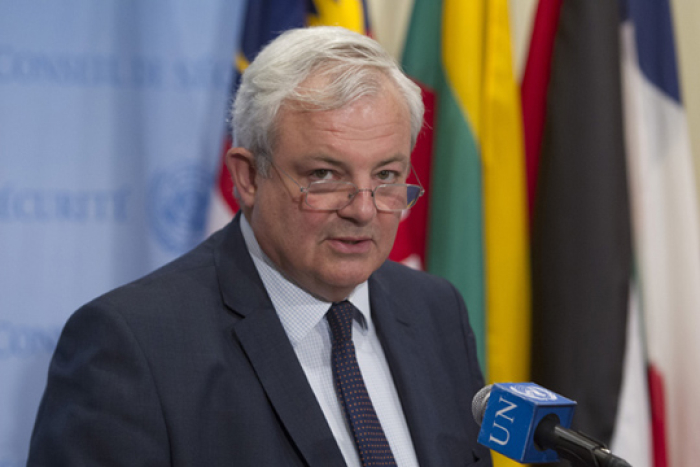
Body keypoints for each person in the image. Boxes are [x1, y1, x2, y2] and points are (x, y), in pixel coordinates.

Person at [27, 27, 491, 467]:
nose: (364, 210)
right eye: (324, 175)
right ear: (248, 177)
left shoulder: (436, 310)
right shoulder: (133, 347)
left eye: (387, 175)